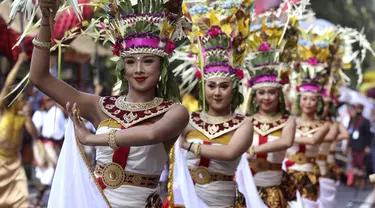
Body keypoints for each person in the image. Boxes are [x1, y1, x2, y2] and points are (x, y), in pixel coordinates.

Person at [31, 0, 189, 207]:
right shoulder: (100, 106)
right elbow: (40, 77)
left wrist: (91, 139)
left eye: (148, 61)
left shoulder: (174, 112)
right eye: (131, 62)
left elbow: (152, 134)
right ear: (123, 67)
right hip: (95, 201)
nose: (139, 69)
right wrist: (46, 20)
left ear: (162, 67)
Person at [166, 5, 253, 207]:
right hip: (186, 198)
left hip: (221, 201)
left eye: (224, 86)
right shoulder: (189, 119)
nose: (217, 92)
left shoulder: (244, 124)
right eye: (211, 86)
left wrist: (188, 146)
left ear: (234, 88)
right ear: (203, 88)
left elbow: (230, 153)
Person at [244, 8, 297, 208]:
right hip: (246, 190)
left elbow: (286, 141)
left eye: (271, 92)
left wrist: (253, 149)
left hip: (273, 194)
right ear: (254, 96)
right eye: (261, 92)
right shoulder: (246, 120)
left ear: (279, 94)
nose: (266, 97)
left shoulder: (288, 121)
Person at [284, 30, 331, 207]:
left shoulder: (324, 125)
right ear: (299, 100)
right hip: (287, 173)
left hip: (309, 176)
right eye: (305, 98)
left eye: (312, 99)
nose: (308, 102)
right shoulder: (290, 121)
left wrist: (285, 137)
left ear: (318, 101)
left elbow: (312, 141)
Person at [0, 52, 39, 208]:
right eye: (19, 97)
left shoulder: (23, 116)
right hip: (0, 159)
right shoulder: (3, 111)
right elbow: (7, 84)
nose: (22, 100)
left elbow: (35, 134)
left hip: (15, 162)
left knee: (22, 199)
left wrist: (28, 117)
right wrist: (19, 62)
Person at [347, 103, 372, 190]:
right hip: (354, 145)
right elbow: (349, 133)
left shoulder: (365, 121)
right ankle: (356, 181)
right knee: (355, 165)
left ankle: (362, 182)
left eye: (360, 108)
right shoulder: (353, 120)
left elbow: (369, 135)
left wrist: (368, 146)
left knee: (362, 165)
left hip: (362, 146)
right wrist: (349, 146)